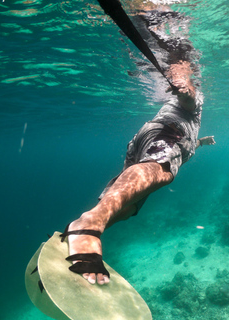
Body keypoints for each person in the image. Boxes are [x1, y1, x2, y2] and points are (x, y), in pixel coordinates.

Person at [60, 0, 215, 285]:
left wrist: (201, 142)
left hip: (149, 137)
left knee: (130, 204)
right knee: (162, 172)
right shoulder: (196, 99)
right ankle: (89, 224)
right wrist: (183, 87)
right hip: (167, 136)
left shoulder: (191, 118)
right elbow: (189, 98)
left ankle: (81, 231)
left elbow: (186, 116)